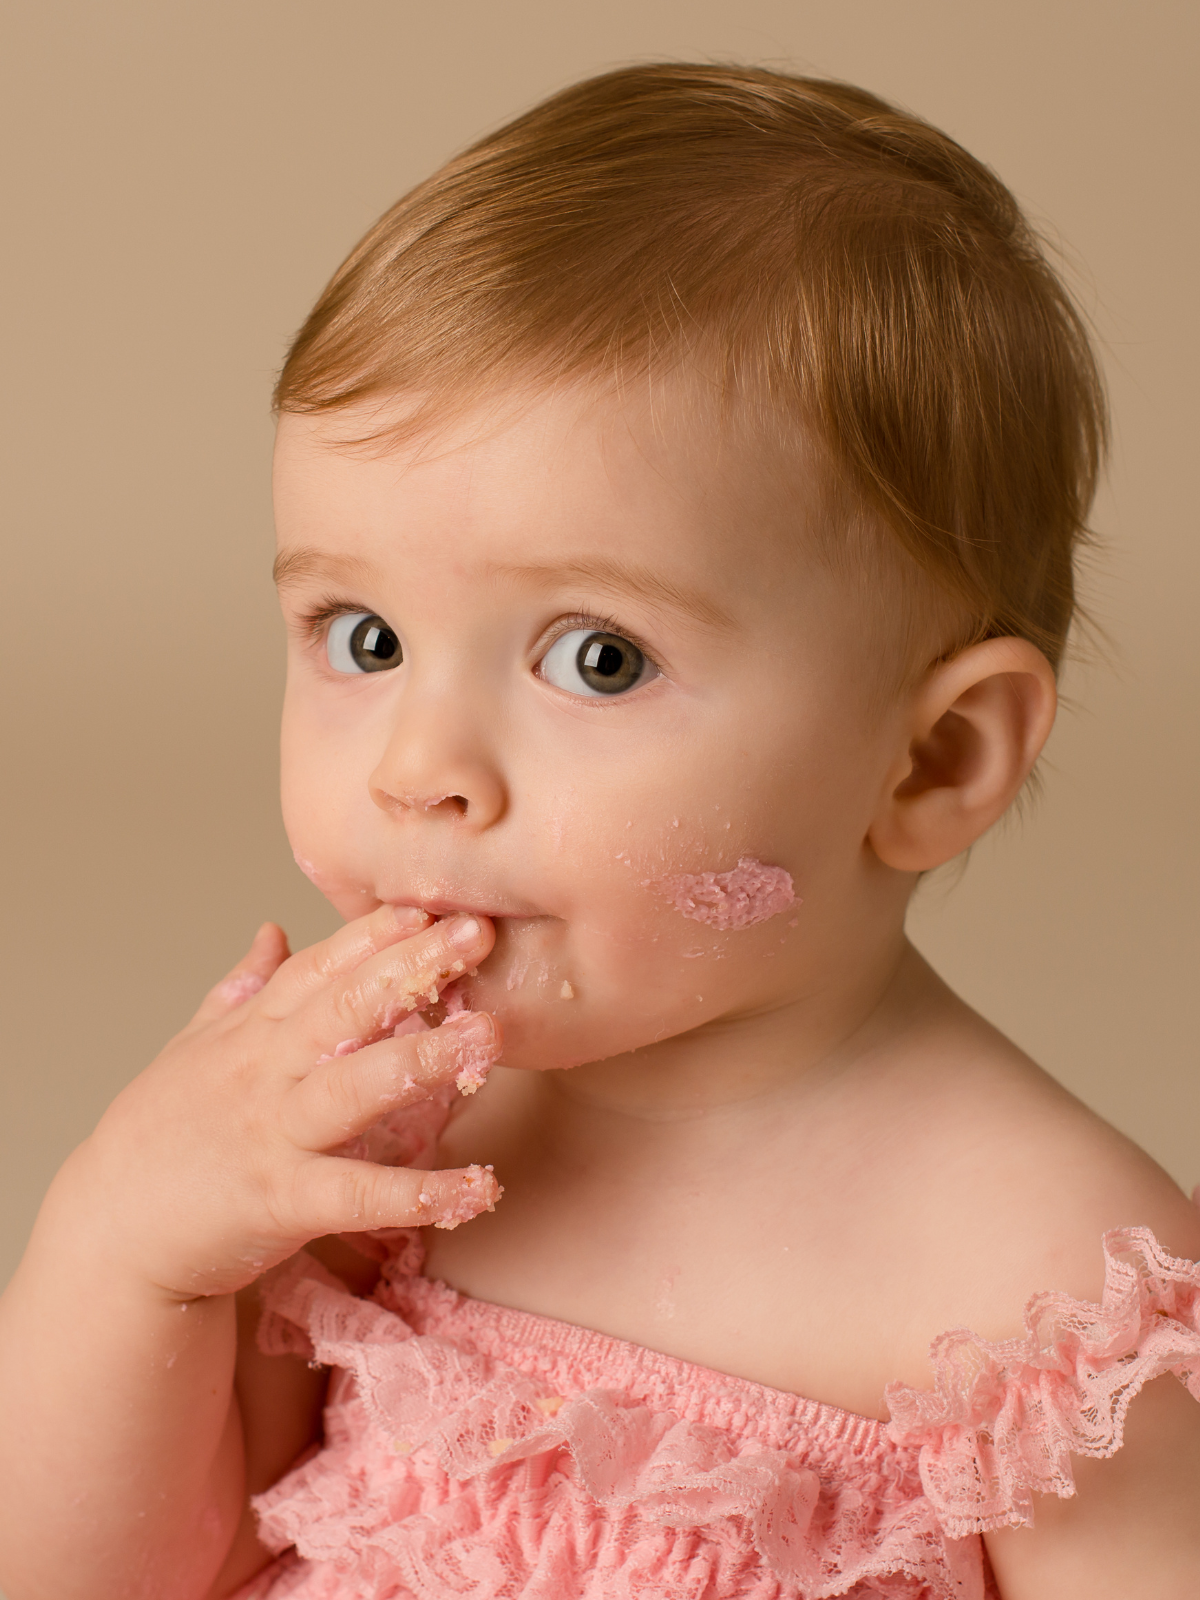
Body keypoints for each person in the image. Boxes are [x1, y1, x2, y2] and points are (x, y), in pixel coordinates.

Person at [1, 61, 1198, 1600]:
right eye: (364, 638)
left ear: (931, 762)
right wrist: (126, 1247)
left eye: (599, 659)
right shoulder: (374, 1129)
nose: (421, 768)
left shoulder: (1042, 1297)